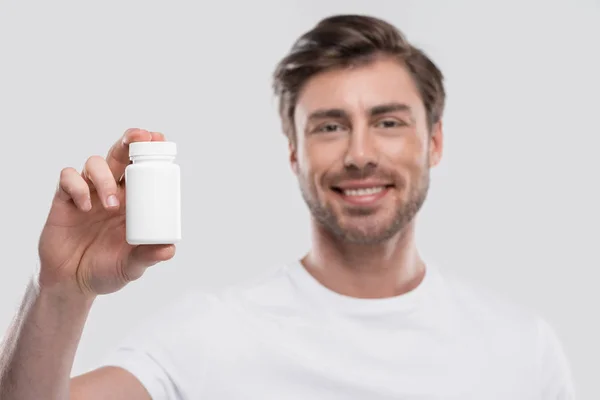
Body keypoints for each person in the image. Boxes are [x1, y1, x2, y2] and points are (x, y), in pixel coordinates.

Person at [0, 14, 575, 400]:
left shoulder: (524, 349)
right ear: (295, 151)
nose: (359, 153)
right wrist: (61, 292)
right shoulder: (209, 336)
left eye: (389, 122)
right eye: (330, 125)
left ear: (435, 142)